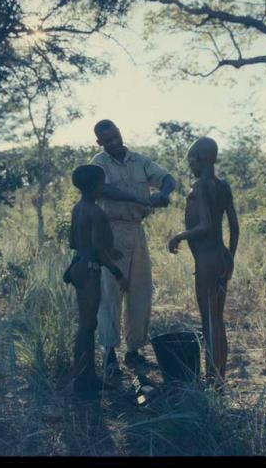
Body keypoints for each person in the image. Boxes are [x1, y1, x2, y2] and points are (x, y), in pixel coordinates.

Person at [90, 119, 176, 375]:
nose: (115, 142)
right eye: (108, 140)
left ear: (120, 132)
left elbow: (166, 178)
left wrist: (164, 194)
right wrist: (141, 198)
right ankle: (109, 353)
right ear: (100, 142)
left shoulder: (139, 161)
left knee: (141, 290)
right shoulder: (100, 163)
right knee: (110, 294)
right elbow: (104, 189)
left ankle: (134, 350)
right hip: (110, 231)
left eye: (116, 136)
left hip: (136, 230)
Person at [168, 137, 239, 387]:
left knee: (210, 321)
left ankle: (213, 379)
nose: (190, 165)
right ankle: (218, 377)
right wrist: (229, 257)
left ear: (198, 159)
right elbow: (234, 226)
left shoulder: (200, 186)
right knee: (217, 320)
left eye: (190, 160)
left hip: (207, 261)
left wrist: (179, 236)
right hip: (221, 257)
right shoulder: (223, 186)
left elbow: (206, 225)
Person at [63, 164, 129, 399]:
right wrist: (119, 273)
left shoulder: (78, 208)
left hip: (78, 265)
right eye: (103, 182)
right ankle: (83, 380)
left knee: (86, 325)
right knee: (87, 326)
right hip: (90, 269)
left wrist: (105, 250)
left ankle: (87, 376)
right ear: (98, 186)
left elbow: (74, 241)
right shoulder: (96, 212)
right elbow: (100, 252)